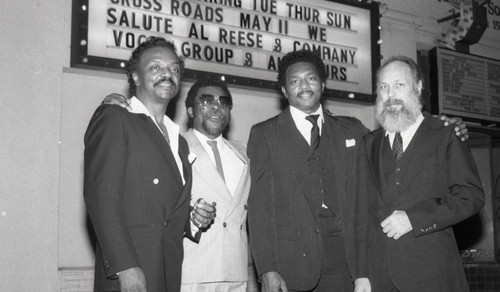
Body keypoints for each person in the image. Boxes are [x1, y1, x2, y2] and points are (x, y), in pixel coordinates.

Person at [246, 50, 469, 292]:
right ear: (284, 90)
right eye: (294, 81)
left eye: (311, 78)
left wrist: (438, 123)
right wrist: (267, 269)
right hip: (293, 266)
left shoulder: (352, 130)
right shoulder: (265, 134)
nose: (304, 86)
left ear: (323, 84)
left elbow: (397, 132)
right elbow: (259, 210)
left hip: (349, 266)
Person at [84, 37, 216, 292]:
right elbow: (101, 199)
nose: (168, 74)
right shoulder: (115, 117)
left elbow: (163, 213)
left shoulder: (179, 142)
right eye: (156, 67)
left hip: (167, 271)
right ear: (135, 77)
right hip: (131, 274)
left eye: (175, 69)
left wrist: (193, 219)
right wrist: (126, 268)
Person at [353, 56, 484, 292]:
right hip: (379, 278)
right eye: (384, 87)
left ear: (418, 87)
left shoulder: (444, 134)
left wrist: (414, 219)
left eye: (399, 85)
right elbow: (361, 214)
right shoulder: (368, 143)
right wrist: (361, 274)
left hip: (433, 275)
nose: (390, 94)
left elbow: (471, 196)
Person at [181, 77, 251, 291]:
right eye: (206, 101)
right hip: (192, 272)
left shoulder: (244, 153)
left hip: (236, 273)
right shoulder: (174, 148)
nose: (216, 107)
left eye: (223, 102)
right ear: (190, 111)